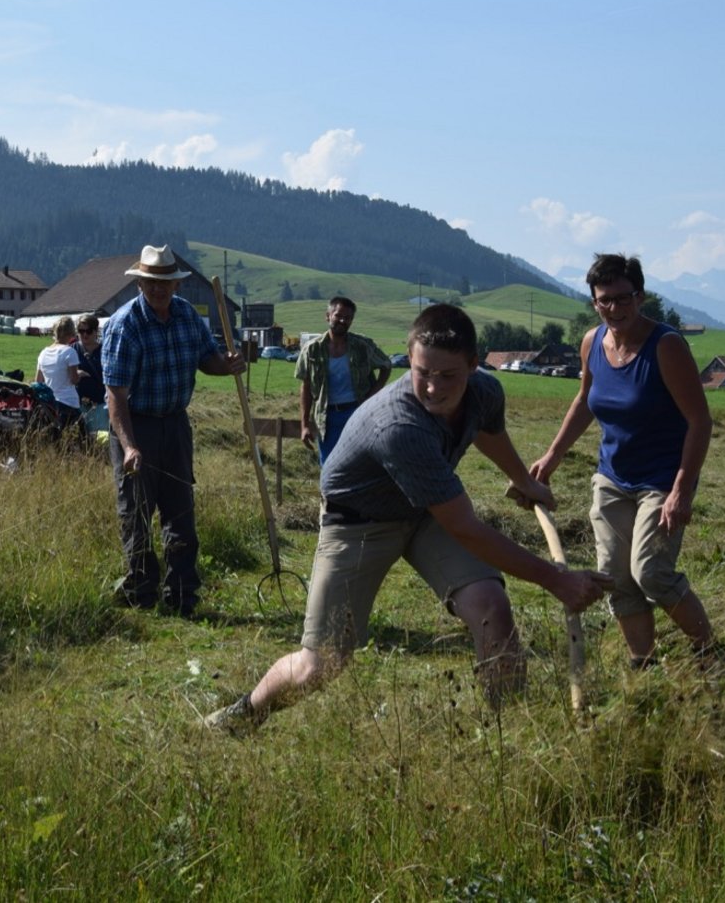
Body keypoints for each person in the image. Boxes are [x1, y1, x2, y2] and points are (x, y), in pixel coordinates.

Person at [204, 304, 609, 734]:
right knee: (320, 663)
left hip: (422, 513)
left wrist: (521, 480)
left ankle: (504, 736)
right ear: (408, 359)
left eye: (448, 375)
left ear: (475, 365)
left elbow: (486, 430)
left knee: (492, 609)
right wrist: (556, 579)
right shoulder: (399, 426)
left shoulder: (486, 392)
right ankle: (243, 715)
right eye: (422, 373)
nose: (433, 388)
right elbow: (465, 528)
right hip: (357, 522)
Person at [528, 253, 721, 671]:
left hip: (663, 482)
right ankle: (643, 666)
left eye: (623, 298)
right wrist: (553, 455)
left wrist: (681, 491)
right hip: (613, 479)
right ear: (594, 302)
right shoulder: (592, 342)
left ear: (641, 296)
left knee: (650, 572)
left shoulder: (665, 346)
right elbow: (585, 401)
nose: (614, 309)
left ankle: (711, 654)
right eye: (604, 300)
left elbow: (699, 421)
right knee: (616, 578)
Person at [102, 243, 246, 618]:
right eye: (151, 283)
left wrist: (227, 365)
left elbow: (207, 361)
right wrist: (130, 446)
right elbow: (115, 396)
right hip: (136, 427)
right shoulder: (124, 326)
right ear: (140, 284)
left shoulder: (187, 317)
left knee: (180, 512)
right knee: (136, 513)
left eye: (164, 282)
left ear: (176, 285)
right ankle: (142, 591)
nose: (158, 289)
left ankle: (182, 595)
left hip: (176, 426)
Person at [295, 296, 392, 465]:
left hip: (358, 413)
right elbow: (306, 386)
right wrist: (304, 426)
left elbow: (386, 365)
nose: (342, 320)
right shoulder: (312, 349)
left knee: (359, 465)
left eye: (347, 318)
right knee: (329, 467)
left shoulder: (363, 345)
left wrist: (371, 396)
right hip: (326, 418)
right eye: (338, 315)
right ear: (328, 316)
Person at [36, 316, 84, 424]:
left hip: (49, 403)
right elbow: (74, 380)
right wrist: (79, 374)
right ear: (71, 333)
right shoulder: (69, 352)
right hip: (68, 402)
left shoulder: (43, 353)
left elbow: (38, 380)